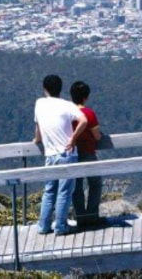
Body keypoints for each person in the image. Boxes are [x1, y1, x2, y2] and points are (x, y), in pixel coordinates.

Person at [34, 74, 88, 235]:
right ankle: (60, 226)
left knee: (49, 191)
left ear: (45, 89)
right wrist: (73, 138)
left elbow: (38, 127)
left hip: (50, 154)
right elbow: (83, 120)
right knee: (64, 192)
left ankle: (43, 226)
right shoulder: (68, 105)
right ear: (60, 89)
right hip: (67, 153)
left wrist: (37, 139)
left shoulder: (40, 103)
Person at [69, 80, 104, 228]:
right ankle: (92, 216)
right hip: (89, 153)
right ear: (86, 97)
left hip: (73, 154)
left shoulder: (68, 113)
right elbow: (97, 136)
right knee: (95, 184)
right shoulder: (89, 114)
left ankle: (81, 217)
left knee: (76, 187)